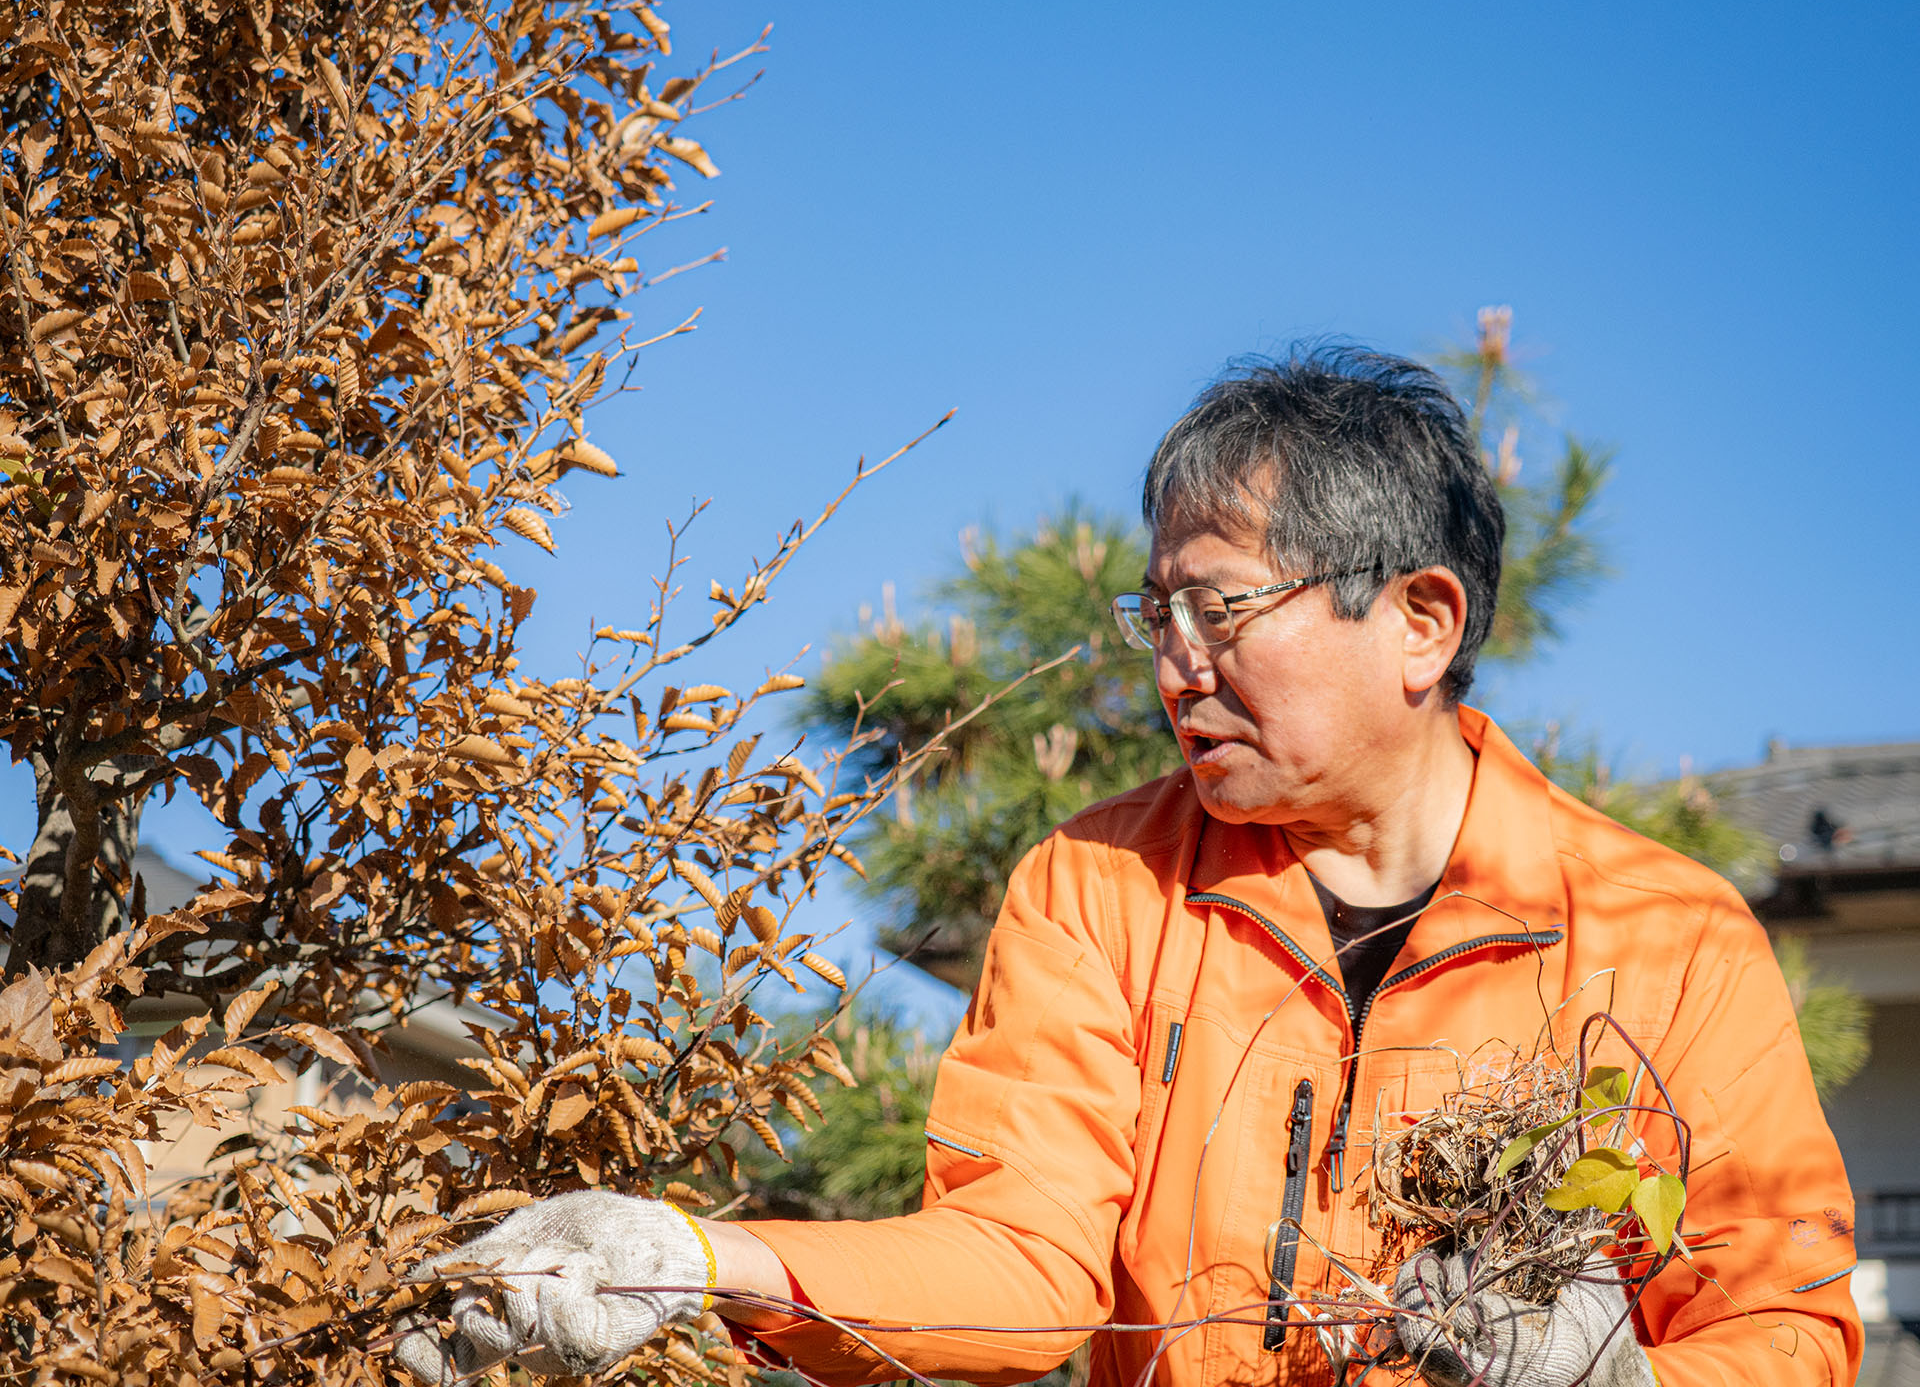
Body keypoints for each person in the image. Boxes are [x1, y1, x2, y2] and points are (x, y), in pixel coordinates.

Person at [394, 347, 1862, 1387]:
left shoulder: (1665, 938)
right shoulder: (1096, 892)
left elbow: (1785, 1325)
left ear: (1420, 619)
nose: (1174, 665)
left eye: (1219, 609)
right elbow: (1020, 1268)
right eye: (1152, 613)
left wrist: (1616, 1382)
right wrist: (692, 1262)